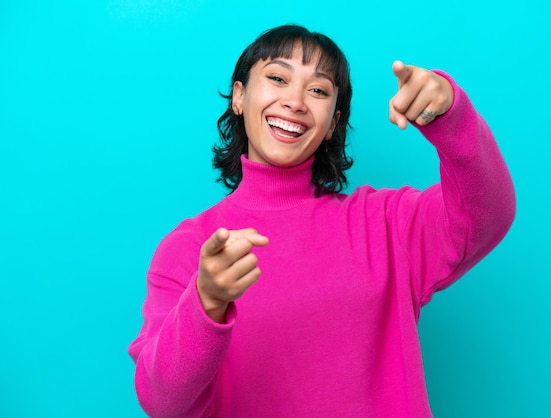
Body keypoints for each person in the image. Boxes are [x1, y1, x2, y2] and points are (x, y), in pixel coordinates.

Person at [128, 24, 516, 417]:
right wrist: (207, 301)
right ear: (240, 97)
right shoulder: (187, 249)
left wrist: (451, 115)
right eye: (277, 78)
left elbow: (487, 215)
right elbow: (163, 403)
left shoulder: (384, 224)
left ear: (332, 122)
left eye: (318, 90)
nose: (295, 101)